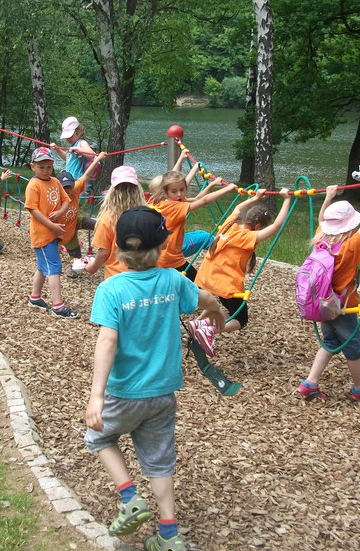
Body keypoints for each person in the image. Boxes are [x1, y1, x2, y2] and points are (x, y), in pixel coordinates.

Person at [84, 206, 225, 551]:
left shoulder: (111, 289)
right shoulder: (173, 280)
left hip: (124, 392)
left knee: (100, 438)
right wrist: (215, 314)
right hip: (163, 392)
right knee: (160, 461)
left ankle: (129, 497)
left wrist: (96, 395)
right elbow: (208, 299)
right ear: (162, 246)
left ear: (117, 248)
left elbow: (107, 340)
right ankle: (169, 534)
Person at [297, 178, 360, 401]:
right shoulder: (350, 246)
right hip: (343, 307)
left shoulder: (320, 241)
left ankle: (310, 382)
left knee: (330, 342)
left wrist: (328, 197)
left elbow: (321, 220)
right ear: (350, 225)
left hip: (323, 303)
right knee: (352, 346)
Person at [192, 189, 292, 353]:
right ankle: (208, 331)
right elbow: (276, 226)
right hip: (225, 283)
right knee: (240, 318)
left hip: (208, 277)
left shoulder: (230, 224)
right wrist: (287, 200)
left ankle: (199, 323)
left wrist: (255, 198)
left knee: (227, 309)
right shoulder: (246, 237)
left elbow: (238, 208)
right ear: (257, 226)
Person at [148, 168, 238, 282]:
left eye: (182, 190)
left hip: (156, 257)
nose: (179, 194)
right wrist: (227, 189)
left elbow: (197, 198)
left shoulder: (157, 201)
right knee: (197, 284)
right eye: (174, 191)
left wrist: (212, 184)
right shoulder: (176, 207)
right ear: (166, 192)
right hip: (170, 259)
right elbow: (203, 201)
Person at [24, 146, 77, 318]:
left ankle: (35, 298)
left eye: (49, 167)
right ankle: (58, 306)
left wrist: (60, 212)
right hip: (43, 235)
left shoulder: (55, 182)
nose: (46, 170)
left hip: (54, 234)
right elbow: (33, 210)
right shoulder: (34, 185)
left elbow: (66, 200)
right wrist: (51, 226)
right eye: (41, 167)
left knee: (42, 266)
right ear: (33, 166)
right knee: (54, 268)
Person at [83, 165, 148, 278]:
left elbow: (104, 252)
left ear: (112, 191)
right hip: (144, 274)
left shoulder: (108, 218)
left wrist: (92, 267)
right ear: (138, 190)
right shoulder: (146, 215)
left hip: (116, 276)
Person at [58, 151, 106, 275]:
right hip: (66, 232)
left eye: (69, 186)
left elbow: (86, 174)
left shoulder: (75, 188)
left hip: (76, 220)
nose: (67, 190)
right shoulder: (55, 199)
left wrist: (97, 159)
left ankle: (110, 240)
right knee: (76, 260)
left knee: (98, 224)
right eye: (64, 187)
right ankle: (73, 269)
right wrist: (56, 243)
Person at [52, 116, 96, 180]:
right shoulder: (72, 146)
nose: (68, 139)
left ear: (78, 132)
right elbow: (67, 158)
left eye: (71, 136)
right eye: (67, 137)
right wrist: (57, 149)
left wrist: (77, 149)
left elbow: (91, 154)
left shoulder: (81, 143)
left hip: (78, 178)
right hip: (70, 179)